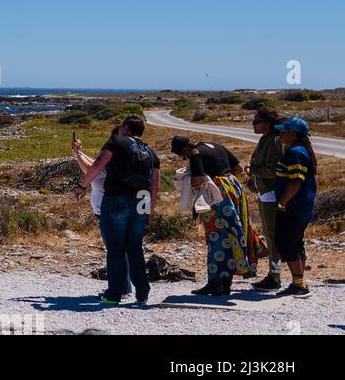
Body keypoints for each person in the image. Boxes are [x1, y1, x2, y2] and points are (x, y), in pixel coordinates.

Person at [73, 115, 159, 306]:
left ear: (126, 128)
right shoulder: (152, 153)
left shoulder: (116, 142)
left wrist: (83, 186)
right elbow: (155, 187)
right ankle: (142, 293)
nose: (119, 129)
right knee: (135, 248)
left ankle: (114, 295)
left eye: (121, 126)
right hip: (142, 200)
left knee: (116, 249)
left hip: (117, 198)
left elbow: (97, 165)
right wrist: (149, 212)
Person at [170, 136, 257, 294]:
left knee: (216, 237)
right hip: (233, 189)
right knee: (231, 236)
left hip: (217, 195)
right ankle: (225, 283)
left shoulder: (195, 154)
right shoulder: (216, 145)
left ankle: (216, 282)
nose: (184, 158)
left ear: (185, 150)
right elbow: (237, 169)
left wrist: (188, 178)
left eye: (183, 156)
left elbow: (198, 181)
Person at [72, 130, 133, 300]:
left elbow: (92, 169)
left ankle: (122, 289)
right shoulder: (119, 161)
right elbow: (92, 166)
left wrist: (78, 153)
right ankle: (125, 287)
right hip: (119, 208)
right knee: (121, 250)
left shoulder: (110, 162)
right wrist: (78, 152)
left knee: (116, 252)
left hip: (107, 211)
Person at [273, 117, 317, 297]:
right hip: (300, 205)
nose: (280, 134)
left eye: (283, 131)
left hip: (294, 205)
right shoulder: (300, 150)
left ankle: (299, 284)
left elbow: (295, 182)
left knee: (286, 241)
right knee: (295, 241)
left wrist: (282, 202)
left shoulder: (295, 153)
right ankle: (298, 282)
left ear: (293, 134)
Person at [247, 108, 286, 290]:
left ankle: (275, 276)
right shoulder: (266, 139)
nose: (253, 124)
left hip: (272, 193)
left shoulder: (276, 141)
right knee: (270, 235)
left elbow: (274, 170)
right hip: (265, 192)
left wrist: (253, 171)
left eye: (256, 121)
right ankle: (273, 274)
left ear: (267, 124)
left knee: (273, 236)